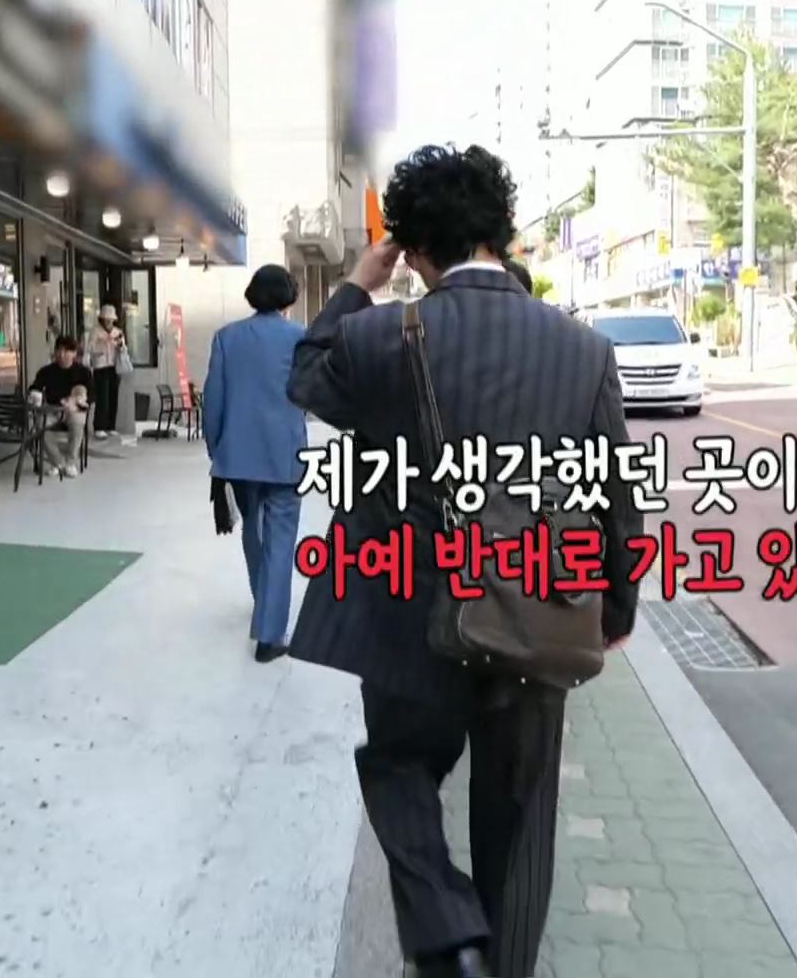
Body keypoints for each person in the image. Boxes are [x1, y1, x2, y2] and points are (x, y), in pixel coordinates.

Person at [288, 144, 643, 978]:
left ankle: (448, 931)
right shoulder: (582, 349)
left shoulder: (377, 336)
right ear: (501, 230)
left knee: (398, 768)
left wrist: (357, 284)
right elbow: (615, 493)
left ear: (412, 249)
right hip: (537, 609)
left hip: (406, 615)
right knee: (518, 820)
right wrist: (615, 607)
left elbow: (305, 380)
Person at [203, 264, 310, 663]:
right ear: (288, 296)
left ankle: (262, 599)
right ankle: (270, 635)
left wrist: (217, 450)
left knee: (253, 528)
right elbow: (311, 393)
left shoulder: (226, 338)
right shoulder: (300, 338)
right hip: (285, 455)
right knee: (281, 540)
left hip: (239, 455)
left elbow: (212, 401)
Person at [29, 336, 92, 477]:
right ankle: (58, 462)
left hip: (75, 409)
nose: (61, 354)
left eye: (66, 351)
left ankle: (70, 462)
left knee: (77, 424)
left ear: (74, 353)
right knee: (40, 424)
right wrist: (35, 394)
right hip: (53, 410)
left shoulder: (83, 372)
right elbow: (34, 388)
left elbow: (92, 395)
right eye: (58, 350)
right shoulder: (46, 371)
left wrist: (78, 401)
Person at [85, 304, 128, 439]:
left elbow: (124, 349)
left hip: (114, 366)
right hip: (100, 366)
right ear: (102, 319)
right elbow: (90, 348)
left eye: (110, 320)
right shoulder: (96, 332)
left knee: (113, 397)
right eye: (106, 319)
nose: (108, 322)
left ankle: (110, 426)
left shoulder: (118, 332)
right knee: (102, 397)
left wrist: (120, 345)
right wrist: (102, 344)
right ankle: (99, 426)